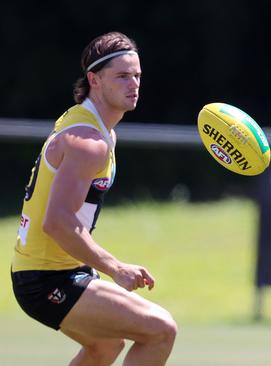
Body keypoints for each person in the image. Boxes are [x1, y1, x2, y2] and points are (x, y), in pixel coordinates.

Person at [11, 32, 177, 366]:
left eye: (137, 76)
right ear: (94, 80)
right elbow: (58, 222)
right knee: (161, 330)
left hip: (52, 270)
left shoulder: (92, 127)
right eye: (122, 76)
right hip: (46, 277)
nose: (134, 84)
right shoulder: (89, 141)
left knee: (105, 347)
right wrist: (116, 268)